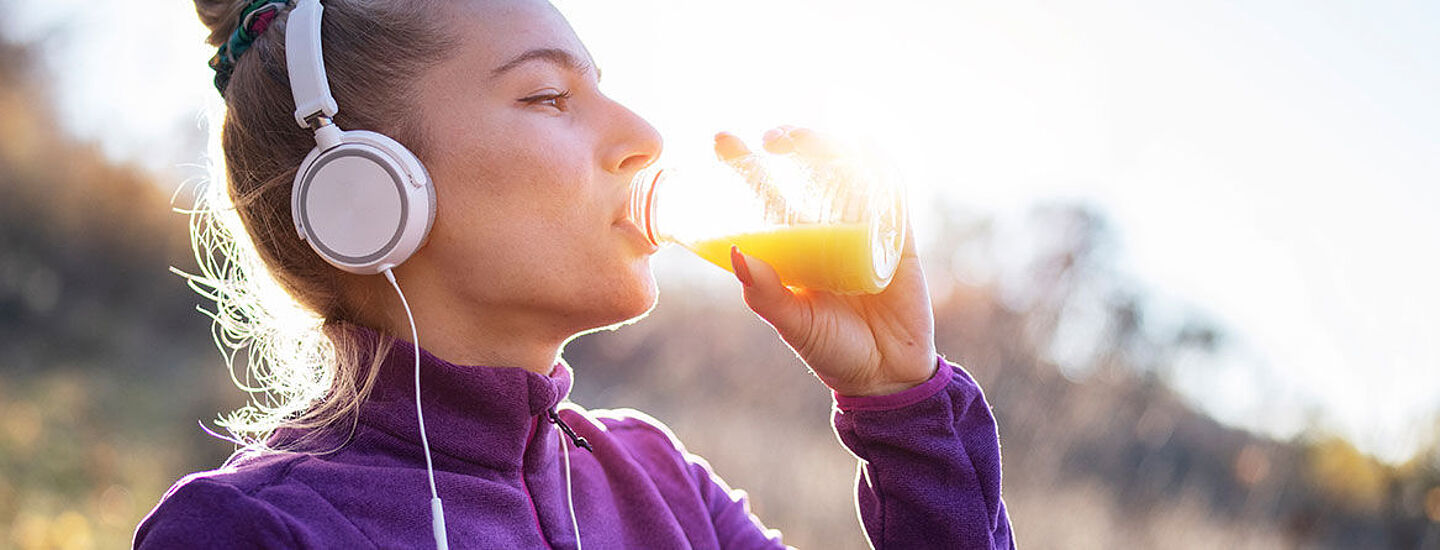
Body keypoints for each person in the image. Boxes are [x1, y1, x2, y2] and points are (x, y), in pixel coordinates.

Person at [136, 0, 1014, 547]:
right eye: (549, 97)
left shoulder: (665, 487)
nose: (644, 133)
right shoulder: (250, 533)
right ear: (365, 191)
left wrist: (904, 408)